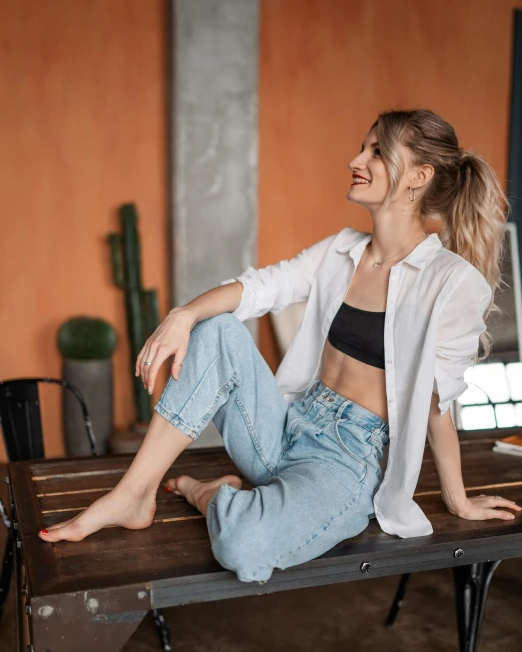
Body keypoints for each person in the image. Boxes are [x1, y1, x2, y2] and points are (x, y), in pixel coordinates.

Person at [38, 108, 521, 583]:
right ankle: (134, 493)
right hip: (286, 427)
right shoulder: (340, 251)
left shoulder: (451, 281)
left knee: (243, 546)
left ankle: (210, 495)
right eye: (363, 146)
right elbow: (258, 288)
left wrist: (457, 500)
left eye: (377, 151)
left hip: (346, 460)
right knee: (218, 329)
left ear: (419, 175)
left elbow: (438, 403)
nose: (357, 158)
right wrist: (182, 315)